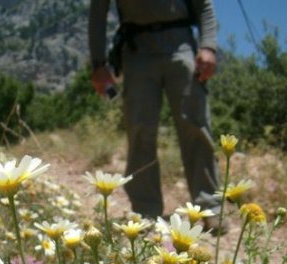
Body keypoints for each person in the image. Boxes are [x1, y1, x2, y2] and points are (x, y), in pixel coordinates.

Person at [88, 0, 226, 233]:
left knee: (196, 126)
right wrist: (98, 64)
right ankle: (145, 211)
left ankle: (210, 207)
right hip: (137, 50)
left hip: (181, 45)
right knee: (140, 130)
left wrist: (208, 46)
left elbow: (203, 6)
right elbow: (97, 14)